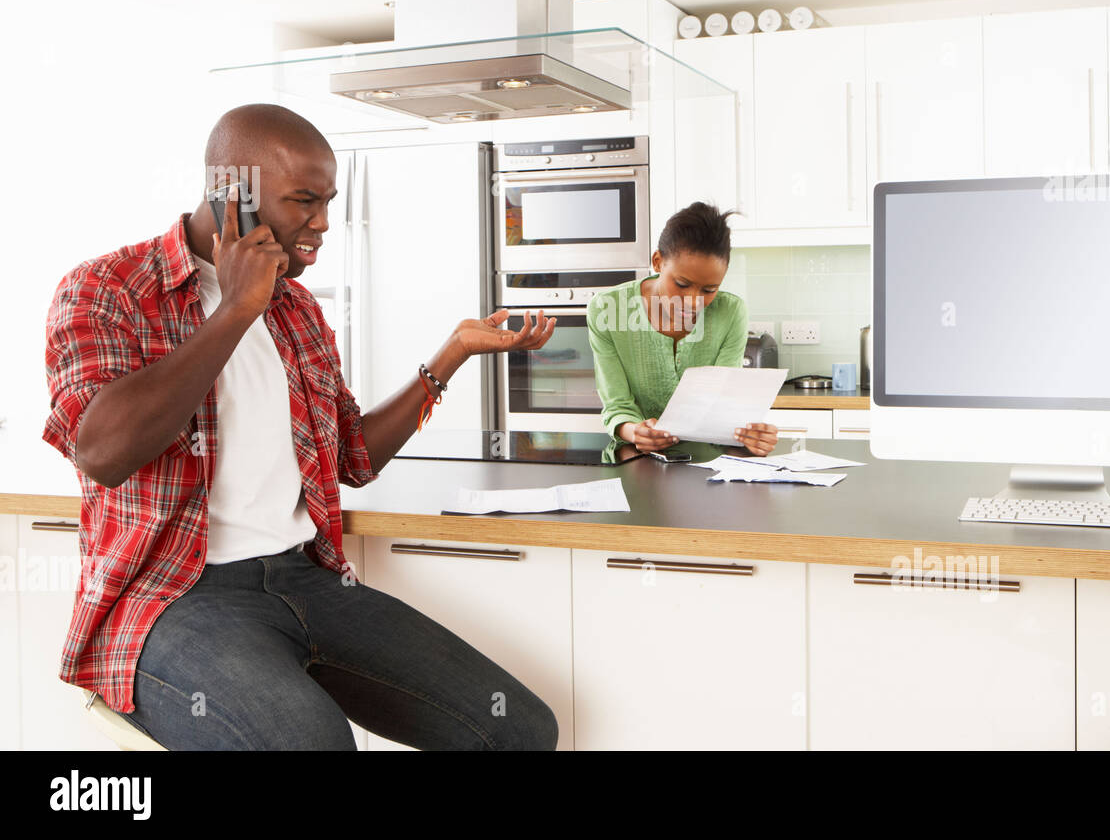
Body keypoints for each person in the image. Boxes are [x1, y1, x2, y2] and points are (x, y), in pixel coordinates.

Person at [42, 103, 560, 750]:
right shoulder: (106, 290)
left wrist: (451, 354)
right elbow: (103, 452)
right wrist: (233, 309)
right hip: (170, 599)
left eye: (328, 202)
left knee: (517, 729)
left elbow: (353, 459)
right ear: (233, 195)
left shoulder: (295, 308)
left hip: (305, 579)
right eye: (303, 202)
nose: (321, 225)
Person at [587, 202, 778, 456]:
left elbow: (722, 407)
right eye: (682, 284)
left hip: (708, 465)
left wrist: (751, 435)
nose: (693, 301)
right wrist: (636, 431)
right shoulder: (606, 309)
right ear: (658, 262)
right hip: (636, 460)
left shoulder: (730, 312)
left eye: (709, 290)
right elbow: (617, 405)